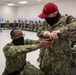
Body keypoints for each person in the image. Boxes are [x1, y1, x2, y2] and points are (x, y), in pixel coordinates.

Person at [37, 2, 76, 75]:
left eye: (47, 16)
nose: (46, 18)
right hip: (48, 54)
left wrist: (60, 31)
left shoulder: (67, 20)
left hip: (62, 57)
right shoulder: (46, 22)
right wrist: (44, 33)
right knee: (44, 71)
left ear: (55, 13)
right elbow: (38, 31)